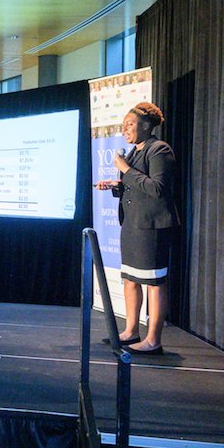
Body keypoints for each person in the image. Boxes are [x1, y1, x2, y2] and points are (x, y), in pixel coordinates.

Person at [95, 102, 179, 355]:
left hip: (152, 227)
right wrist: (115, 185)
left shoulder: (159, 149)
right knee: (130, 279)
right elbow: (136, 186)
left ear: (145, 126)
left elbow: (157, 189)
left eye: (129, 125)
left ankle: (153, 340)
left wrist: (125, 170)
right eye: (123, 126)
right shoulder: (134, 152)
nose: (125, 130)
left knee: (154, 282)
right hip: (133, 225)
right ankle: (131, 331)